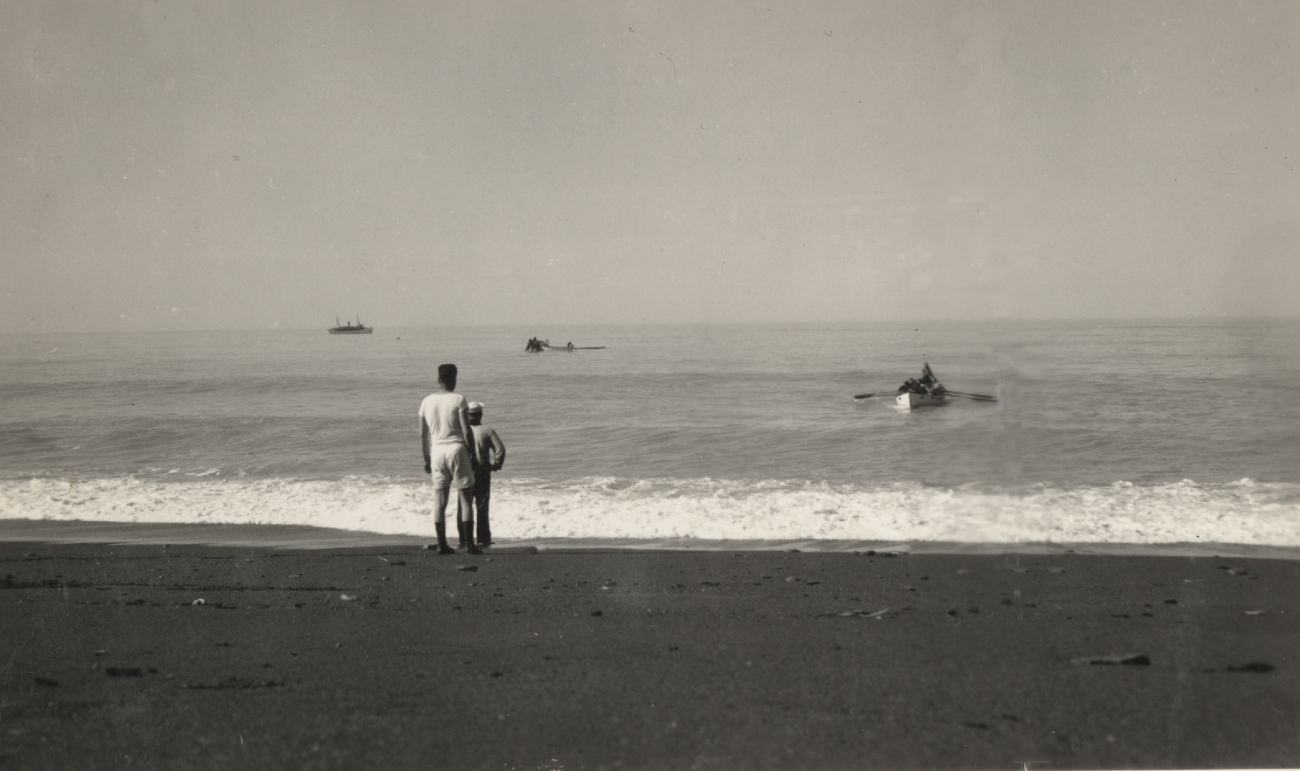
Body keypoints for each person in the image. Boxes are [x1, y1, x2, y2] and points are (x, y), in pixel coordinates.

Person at [418, 364, 481, 555]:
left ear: (439, 380)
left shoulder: (426, 402)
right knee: (465, 498)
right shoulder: (459, 399)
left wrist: (427, 459)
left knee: (440, 500)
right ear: (454, 379)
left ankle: (442, 544)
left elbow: (423, 435)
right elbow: (466, 429)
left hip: (437, 451)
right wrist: (472, 454)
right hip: (456, 449)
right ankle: (470, 545)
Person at [458, 401, 506, 547]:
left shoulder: (460, 430)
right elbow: (500, 450)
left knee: (463, 505)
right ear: (480, 414)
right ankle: (482, 539)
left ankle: (464, 539)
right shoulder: (487, 430)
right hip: (482, 472)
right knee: (482, 505)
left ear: (467, 415)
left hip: (464, 471)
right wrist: (496, 465)